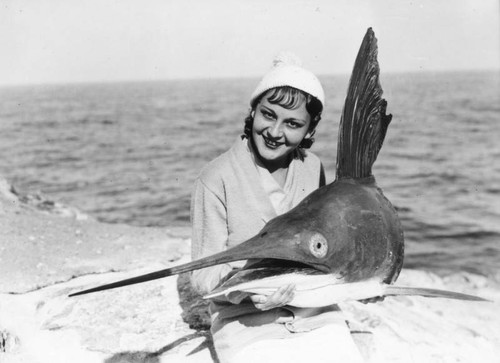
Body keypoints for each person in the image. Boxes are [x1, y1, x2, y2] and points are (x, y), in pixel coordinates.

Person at [190, 53, 364, 363]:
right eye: (268, 115)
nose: (275, 131)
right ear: (252, 110)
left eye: (293, 123)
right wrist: (248, 290)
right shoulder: (215, 178)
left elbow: (328, 249)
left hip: (316, 312)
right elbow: (203, 275)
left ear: (310, 129)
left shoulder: (313, 168)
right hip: (244, 319)